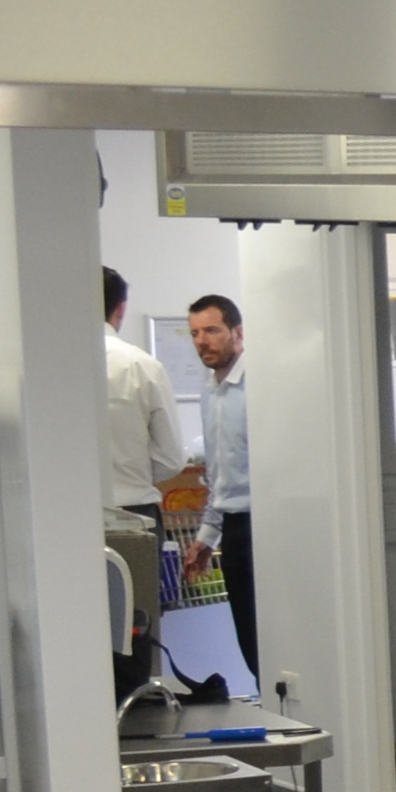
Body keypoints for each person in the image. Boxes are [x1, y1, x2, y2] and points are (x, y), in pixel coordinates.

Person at [185, 292, 255, 669]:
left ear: (237, 332)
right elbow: (219, 475)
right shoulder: (210, 393)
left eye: (211, 330)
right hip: (233, 528)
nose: (202, 341)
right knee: (248, 636)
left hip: (264, 525)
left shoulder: (257, 388)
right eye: (195, 333)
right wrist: (206, 537)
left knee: (272, 636)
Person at [99, 270, 177, 526]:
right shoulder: (142, 365)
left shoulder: (47, 365)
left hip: (64, 512)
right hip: (135, 512)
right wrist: (132, 472)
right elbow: (171, 458)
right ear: (121, 308)